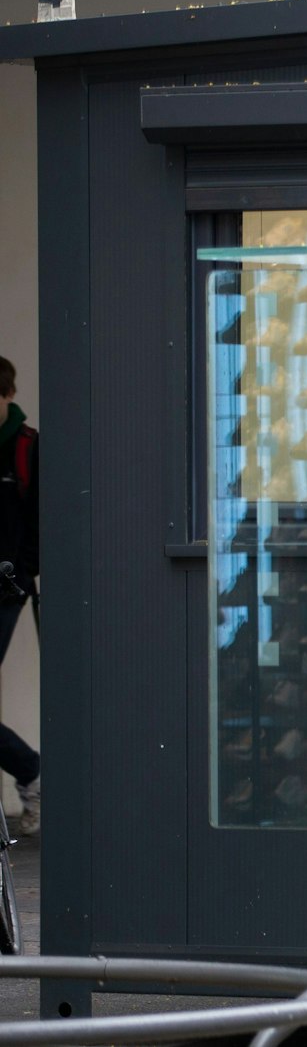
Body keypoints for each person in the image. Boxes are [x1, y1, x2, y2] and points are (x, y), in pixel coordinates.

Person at [0, 358, 38, 835]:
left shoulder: (27, 447)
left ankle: (32, 771)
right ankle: (32, 771)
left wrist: (26, 571)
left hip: (6, 590)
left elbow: (42, 522)